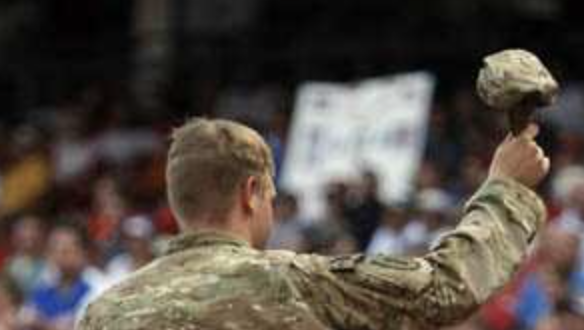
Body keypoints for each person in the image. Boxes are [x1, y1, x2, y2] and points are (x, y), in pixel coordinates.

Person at [79, 118, 549, 329]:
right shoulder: (299, 282)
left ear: (175, 197)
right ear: (251, 193)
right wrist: (505, 186)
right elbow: (447, 288)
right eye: (270, 194)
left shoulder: (102, 314)